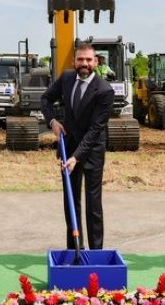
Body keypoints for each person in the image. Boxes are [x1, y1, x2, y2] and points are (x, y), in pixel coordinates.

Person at [41, 43, 115, 250]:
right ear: (75, 61)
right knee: (71, 201)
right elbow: (46, 99)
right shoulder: (66, 78)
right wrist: (52, 121)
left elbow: (95, 129)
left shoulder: (104, 91)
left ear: (96, 62)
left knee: (93, 204)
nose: (84, 64)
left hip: (92, 151)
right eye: (81, 59)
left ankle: (95, 252)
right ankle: (74, 249)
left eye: (89, 60)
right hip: (69, 146)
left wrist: (77, 157)